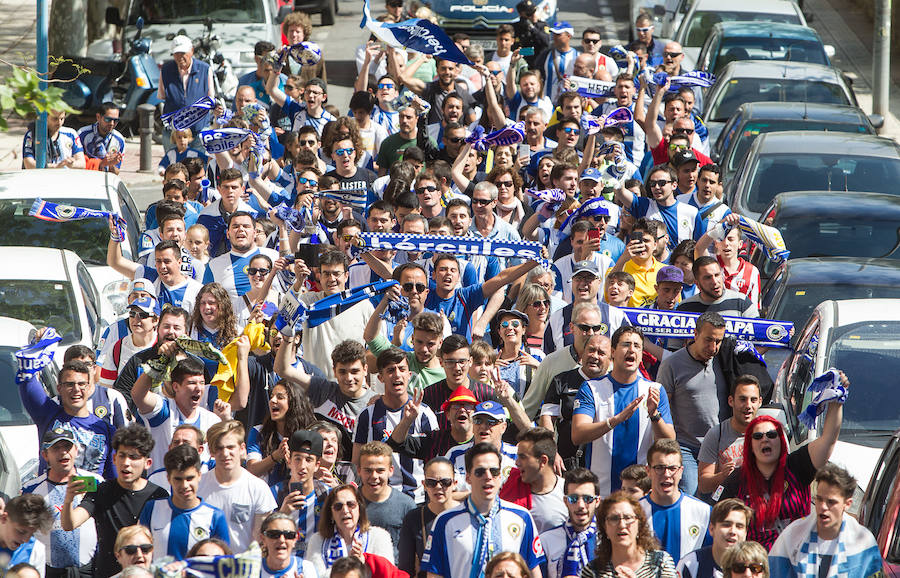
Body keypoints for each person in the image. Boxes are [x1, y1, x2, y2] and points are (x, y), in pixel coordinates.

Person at [716, 386, 847, 551]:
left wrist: (836, 402)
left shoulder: (797, 465)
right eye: (758, 436)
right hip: (755, 566)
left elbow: (828, 439)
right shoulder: (737, 479)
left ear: (781, 441)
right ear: (750, 445)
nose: (765, 440)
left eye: (771, 435)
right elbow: (717, 521)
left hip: (796, 559)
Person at [571, 326, 675, 495]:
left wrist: (655, 415)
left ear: (641, 355)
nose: (632, 350)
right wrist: (615, 420)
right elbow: (578, 434)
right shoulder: (591, 388)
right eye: (626, 344)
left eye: (637, 346)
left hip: (640, 494)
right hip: (601, 492)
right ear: (613, 351)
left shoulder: (654, 390)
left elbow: (670, 443)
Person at [421, 443, 546, 578]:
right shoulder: (445, 521)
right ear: (468, 478)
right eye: (480, 472)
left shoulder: (521, 517)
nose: (488, 477)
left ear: (499, 476)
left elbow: (533, 571)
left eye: (494, 471)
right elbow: (434, 574)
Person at [61, 425, 168, 578]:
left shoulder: (158, 495)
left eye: (134, 457)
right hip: (106, 573)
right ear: (114, 458)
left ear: (147, 463)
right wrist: (69, 499)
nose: (126, 463)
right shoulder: (101, 491)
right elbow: (69, 524)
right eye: (122, 455)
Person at [657, 312, 728, 495]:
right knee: (690, 493)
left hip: (717, 446)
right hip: (685, 446)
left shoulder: (725, 360)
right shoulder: (672, 365)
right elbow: (662, 408)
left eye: (718, 342)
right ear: (695, 334)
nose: (713, 347)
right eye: (708, 340)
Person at [769, 464, 882, 578]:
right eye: (819, 499)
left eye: (831, 502)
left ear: (847, 504)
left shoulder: (863, 543)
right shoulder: (792, 535)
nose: (823, 506)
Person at [353, 349, 438, 501]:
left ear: (409, 375)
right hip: (378, 498)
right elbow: (356, 463)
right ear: (380, 378)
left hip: (417, 499)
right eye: (391, 370)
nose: (397, 374)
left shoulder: (425, 414)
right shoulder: (367, 415)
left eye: (402, 369)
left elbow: (436, 461)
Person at [276, 338, 379, 459]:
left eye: (354, 371)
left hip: (359, 474)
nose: (349, 378)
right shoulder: (324, 390)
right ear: (334, 371)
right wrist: (288, 338)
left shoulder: (376, 402)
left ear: (365, 370)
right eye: (342, 372)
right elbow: (282, 370)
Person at [22, 427, 103, 578]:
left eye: (67, 447)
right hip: (50, 571)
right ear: (45, 455)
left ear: (76, 451)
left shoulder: (95, 482)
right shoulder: (31, 489)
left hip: (89, 569)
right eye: (56, 448)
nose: (63, 452)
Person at [139, 444, 230, 561]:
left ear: (199, 476)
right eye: (178, 479)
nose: (184, 485)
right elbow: (141, 554)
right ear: (168, 478)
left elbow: (223, 564)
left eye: (189, 478)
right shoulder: (151, 508)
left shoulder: (215, 516)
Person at [198, 420, 278, 551]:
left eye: (230, 447)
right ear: (211, 451)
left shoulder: (258, 488)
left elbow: (261, 541)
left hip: (242, 566)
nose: (225, 454)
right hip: (205, 566)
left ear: (242, 449)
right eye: (219, 448)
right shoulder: (198, 486)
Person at [131, 356, 222, 469]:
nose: (199, 388)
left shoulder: (212, 420)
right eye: (192, 383)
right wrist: (160, 363)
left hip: (198, 486)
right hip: (162, 485)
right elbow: (138, 395)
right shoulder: (164, 411)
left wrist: (227, 420)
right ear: (176, 386)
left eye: (202, 383)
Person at [540, 334, 612, 469]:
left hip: (603, 463)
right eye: (591, 350)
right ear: (582, 353)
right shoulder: (561, 380)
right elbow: (547, 417)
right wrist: (552, 451)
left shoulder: (615, 385)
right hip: (567, 463)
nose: (594, 356)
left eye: (601, 353)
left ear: (611, 358)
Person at [639, 439, 712, 563]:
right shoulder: (634, 512)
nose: (667, 474)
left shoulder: (704, 512)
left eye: (672, 468)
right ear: (648, 471)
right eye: (659, 468)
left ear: (681, 471)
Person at [579, 491, 677, 578]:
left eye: (628, 518)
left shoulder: (661, 562)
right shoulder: (593, 570)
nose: (622, 525)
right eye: (614, 518)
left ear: (639, 524)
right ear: (604, 527)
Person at [305, 484, 395, 576]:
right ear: (331, 513)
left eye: (351, 504)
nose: (345, 510)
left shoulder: (379, 536)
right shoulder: (317, 540)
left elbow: (389, 574)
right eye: (338, 506)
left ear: (359, 508)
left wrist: (364, 562)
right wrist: (347, 566)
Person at [697, 376, 763, 496]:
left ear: (760, 402)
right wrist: (723, 476)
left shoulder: (770, 434)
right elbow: (703, 485)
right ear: (731, 401)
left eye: (753, 400)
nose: (748, 405)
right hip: (727, 506)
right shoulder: (716, 434)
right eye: (742, 399)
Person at [398, 457, 460, 578]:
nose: (438, 487)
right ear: (424, 485)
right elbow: (406, 567)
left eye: (445, 482)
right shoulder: (413, 518)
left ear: (454, 484)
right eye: (431, 482)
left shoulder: (466, 515)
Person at [247, 380, 315, 486]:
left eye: (280, 397)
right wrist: (276, 456)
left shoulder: (310, 434)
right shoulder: (259, 432)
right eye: (272, 396)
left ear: (294, 403)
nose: (272, 400)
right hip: (268, 497)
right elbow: (252, 470)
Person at [499, 427, 567, 533]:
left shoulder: (567, 493)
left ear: (543, 461)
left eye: (523, 457)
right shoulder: (509, 485)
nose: (517, 463)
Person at [356, 441, 416, 561]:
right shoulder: (349, 502)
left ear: (391, 470)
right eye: (368, 470)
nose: (374, 476)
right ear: (358, 471)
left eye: (380, 470)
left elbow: (414, 550)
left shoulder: (406, 505)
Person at [275, 430, 330, 558]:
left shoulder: (327, 495)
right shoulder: (273, 493)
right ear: (289, 461)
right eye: (297, 458)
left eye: (308, 460)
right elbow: (262, 537)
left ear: (317, 465)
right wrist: (282, 514)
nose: (302, 466)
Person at [539, 468, 601, 578]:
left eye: (587, 499)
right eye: (573, 499)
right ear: (565, 501)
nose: (581, 505)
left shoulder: (608, 539)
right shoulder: (545, 541)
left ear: (597, 501)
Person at [158, 35, 214, 145]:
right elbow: (162, 96)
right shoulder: (166, 70)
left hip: (198, 130)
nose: (180, 57)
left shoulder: (205, 69)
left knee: (198, 162)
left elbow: (210, 98)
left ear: (192, 51)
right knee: (173, 161)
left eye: (183, 53)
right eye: (176, 53)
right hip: (174, 133)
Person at [677, 499, 752, 578]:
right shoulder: (691, 564)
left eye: (739, 526)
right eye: (726, 525)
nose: (733, 531)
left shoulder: (754, 567)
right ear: (712, 529)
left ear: (745, 533)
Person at [677, 257, 757, 317]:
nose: (715, 281)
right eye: (708, 277)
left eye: (717, 275)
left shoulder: (742, 302)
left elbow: (758, 333)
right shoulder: (685, 308)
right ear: (697, 283)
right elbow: (676, 339)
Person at [0, 495, 52, 576]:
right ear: (4, 518)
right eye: (21, 532)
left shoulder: (35, 549)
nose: (26, 540)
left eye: (32, 533)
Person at [258, 512, 318, 578]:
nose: (281, 540)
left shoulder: (306, 568)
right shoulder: (252, 568)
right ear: (263, 539)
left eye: (288, 535)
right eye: (274, 534)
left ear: (295, 539)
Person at [78, 102, 125, 173]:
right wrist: (102, 163)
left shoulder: (119, 140)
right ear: (98, 117)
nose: (112, 124)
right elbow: (78, 164)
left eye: (116, 120)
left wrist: (111, 164)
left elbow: (116, 172)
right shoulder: (82, 134)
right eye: (108, 119)